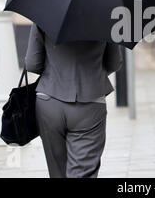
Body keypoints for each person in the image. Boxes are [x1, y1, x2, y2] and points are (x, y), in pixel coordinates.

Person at [25, 24, 122, 178]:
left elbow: (32, 63)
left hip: (49, 101)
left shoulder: (43, 15)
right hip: (90, 102)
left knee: (57, 172)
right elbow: (114, 63)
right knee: (83, 172)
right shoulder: (105, 17)